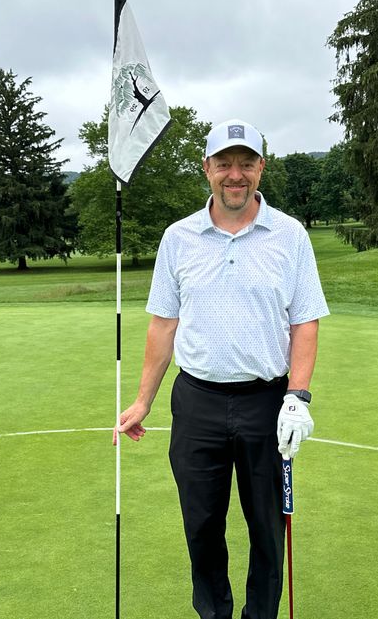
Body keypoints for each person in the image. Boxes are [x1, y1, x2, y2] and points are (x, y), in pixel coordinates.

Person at [114, 118, 329, 619]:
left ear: (261, 168)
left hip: (266, 401)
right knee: (202, 525)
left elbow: (305, 321)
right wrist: (143, 400)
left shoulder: (290, 235)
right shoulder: (178, 237)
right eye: (225, 164)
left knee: (267, 527)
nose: (236, 174)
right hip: (197, 402)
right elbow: (163, 324)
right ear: (207, 168)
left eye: (246, 163)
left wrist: (297, 396)